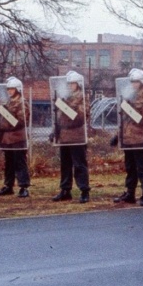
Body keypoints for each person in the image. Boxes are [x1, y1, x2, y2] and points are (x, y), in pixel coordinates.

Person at [115, 68, 143, 207]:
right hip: (127, 137)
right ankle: (130, 192)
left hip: (140, 137)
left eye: (136, 82)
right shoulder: (127, 95)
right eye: (132, 82)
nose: (133, 84)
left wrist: (130, 108)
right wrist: (117, 135)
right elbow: (123, 119)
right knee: (130, 166)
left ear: (142, 82)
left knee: (141, 166)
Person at [51, 70, 90, 203]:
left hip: (77, 136)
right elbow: (59, 118)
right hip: (64, 136)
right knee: (65, 164)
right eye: (68, 84)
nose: (70, 86)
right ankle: (65, 189)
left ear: (78, 84)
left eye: (72, 83)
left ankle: (84, 190)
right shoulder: (64, 97)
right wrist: (55, 132)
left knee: (79, 165)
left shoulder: (82, 98)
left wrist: (64, 105)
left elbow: (79, 118)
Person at [0, 76, 30, 198]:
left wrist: (5, 114)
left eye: (12, 89)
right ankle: (8, 186)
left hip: (18, 137)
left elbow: (21, 121)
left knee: (20, 162)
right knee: (8, 162)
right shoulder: (9, 102)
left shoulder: (22, 103)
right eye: (8, 89)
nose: (9, 91)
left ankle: (23, 186)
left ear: (18, 89)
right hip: (8, 138)